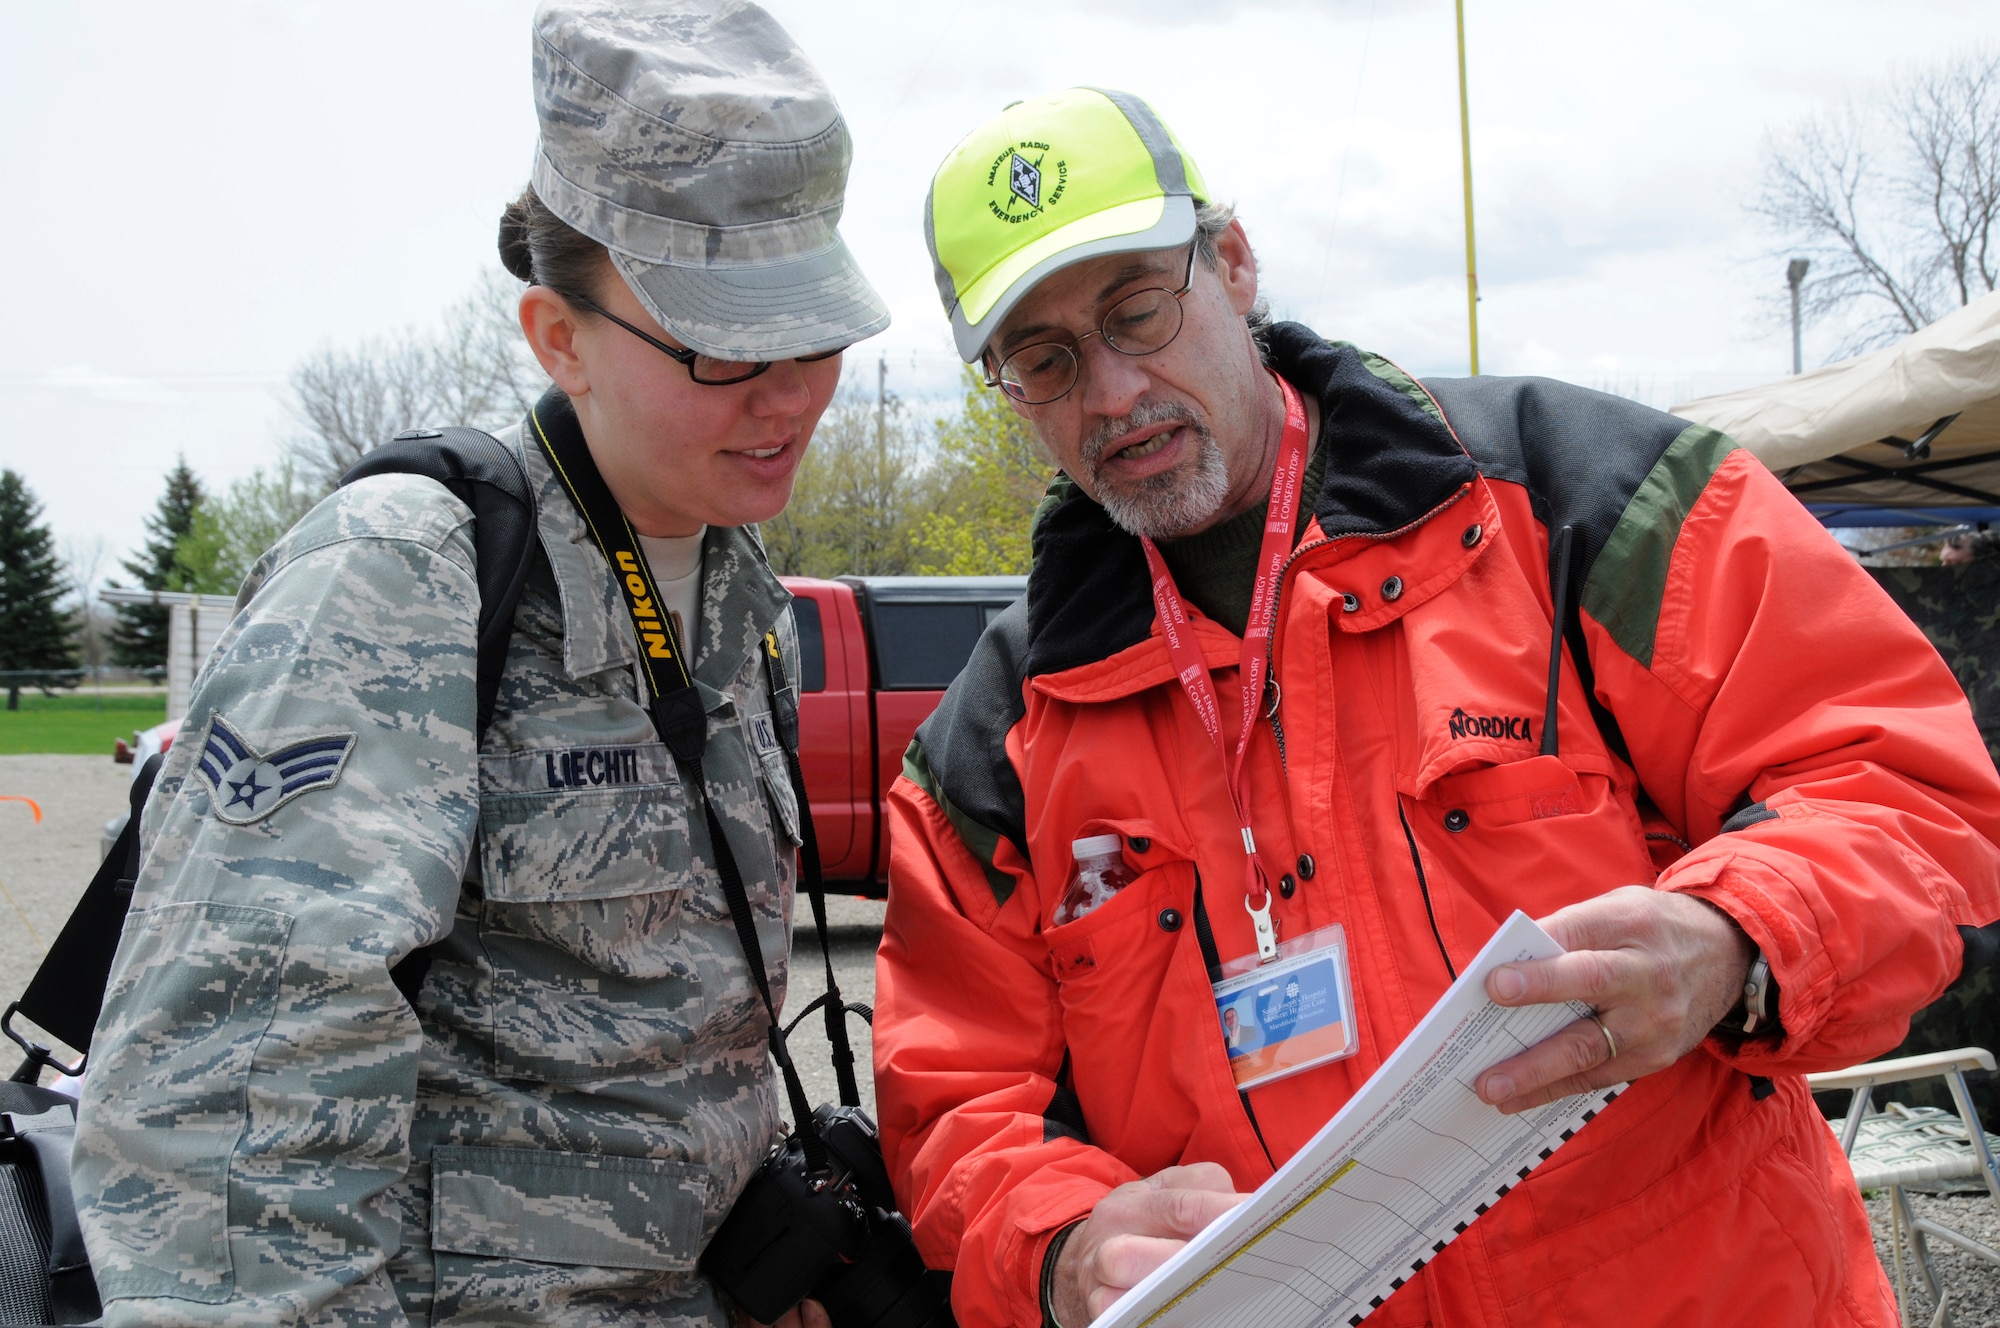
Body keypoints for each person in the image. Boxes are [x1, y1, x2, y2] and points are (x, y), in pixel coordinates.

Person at [872, 87, 2000, 1328]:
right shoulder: (991, 744)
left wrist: (1735, 937)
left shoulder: (1579, 504)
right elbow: (954, 1103)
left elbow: (1903, 790)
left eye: (1137, 309)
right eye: (1044, 360)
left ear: (1233, 263)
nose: (1111, 390)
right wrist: (1061, 1242)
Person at [71, 4, 886, 1324]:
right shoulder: (402, 574)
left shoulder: (738, 598)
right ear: (559, 337)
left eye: (815, 334)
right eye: (725, 344)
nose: (789, 393)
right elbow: (221, 1124)